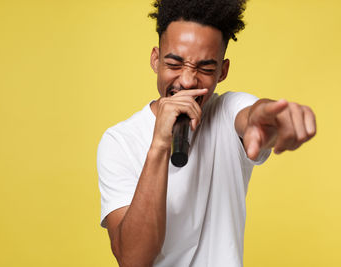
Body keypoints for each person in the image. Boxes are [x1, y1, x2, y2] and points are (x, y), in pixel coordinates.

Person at [97, 0, 316, 266]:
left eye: (205, 68)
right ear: (156, 60)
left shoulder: (226, 112)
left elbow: (252, 114)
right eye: (175, 64)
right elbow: (133, 260)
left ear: (222, 72)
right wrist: (159, 144)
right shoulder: (119, 141)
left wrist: (270, 119)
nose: (188, 81)